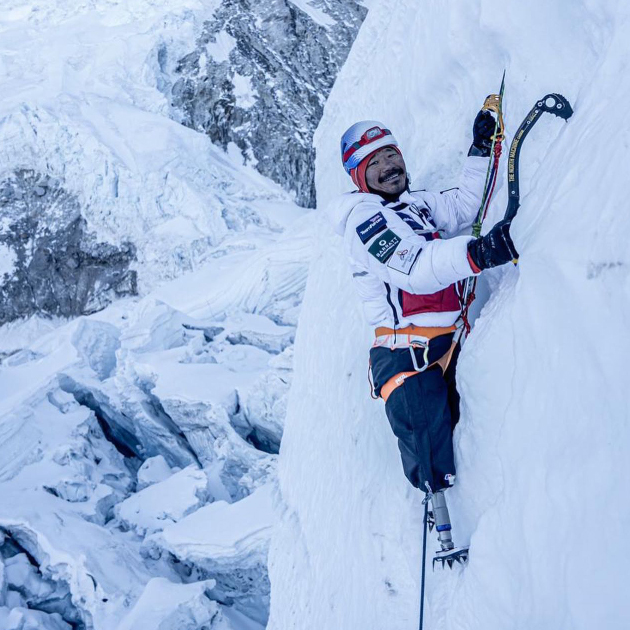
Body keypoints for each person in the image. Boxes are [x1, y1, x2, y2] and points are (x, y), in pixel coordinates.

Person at [327, 111, 518, 565]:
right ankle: (444, 527)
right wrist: (478, 253)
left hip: (441, 344)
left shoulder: (414, 205)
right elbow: (412, 269)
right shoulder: (364, 220)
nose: (388, 165)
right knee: (429, 449)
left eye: (392, 154)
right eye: (374, 162)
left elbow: (463, 205)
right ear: (359, 177)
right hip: (405, 357)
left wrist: (479, 149)